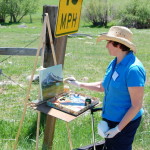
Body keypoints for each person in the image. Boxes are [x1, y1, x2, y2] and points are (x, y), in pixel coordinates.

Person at [64, 26, 146, 150]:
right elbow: (103, 86)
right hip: (111, 119)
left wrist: (118, 129)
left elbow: (136, 105)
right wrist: (79, 84)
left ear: (118, 45)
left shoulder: (133, 69)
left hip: (125, 122)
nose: (106, 46)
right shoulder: (114, 63)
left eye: (109, 42)